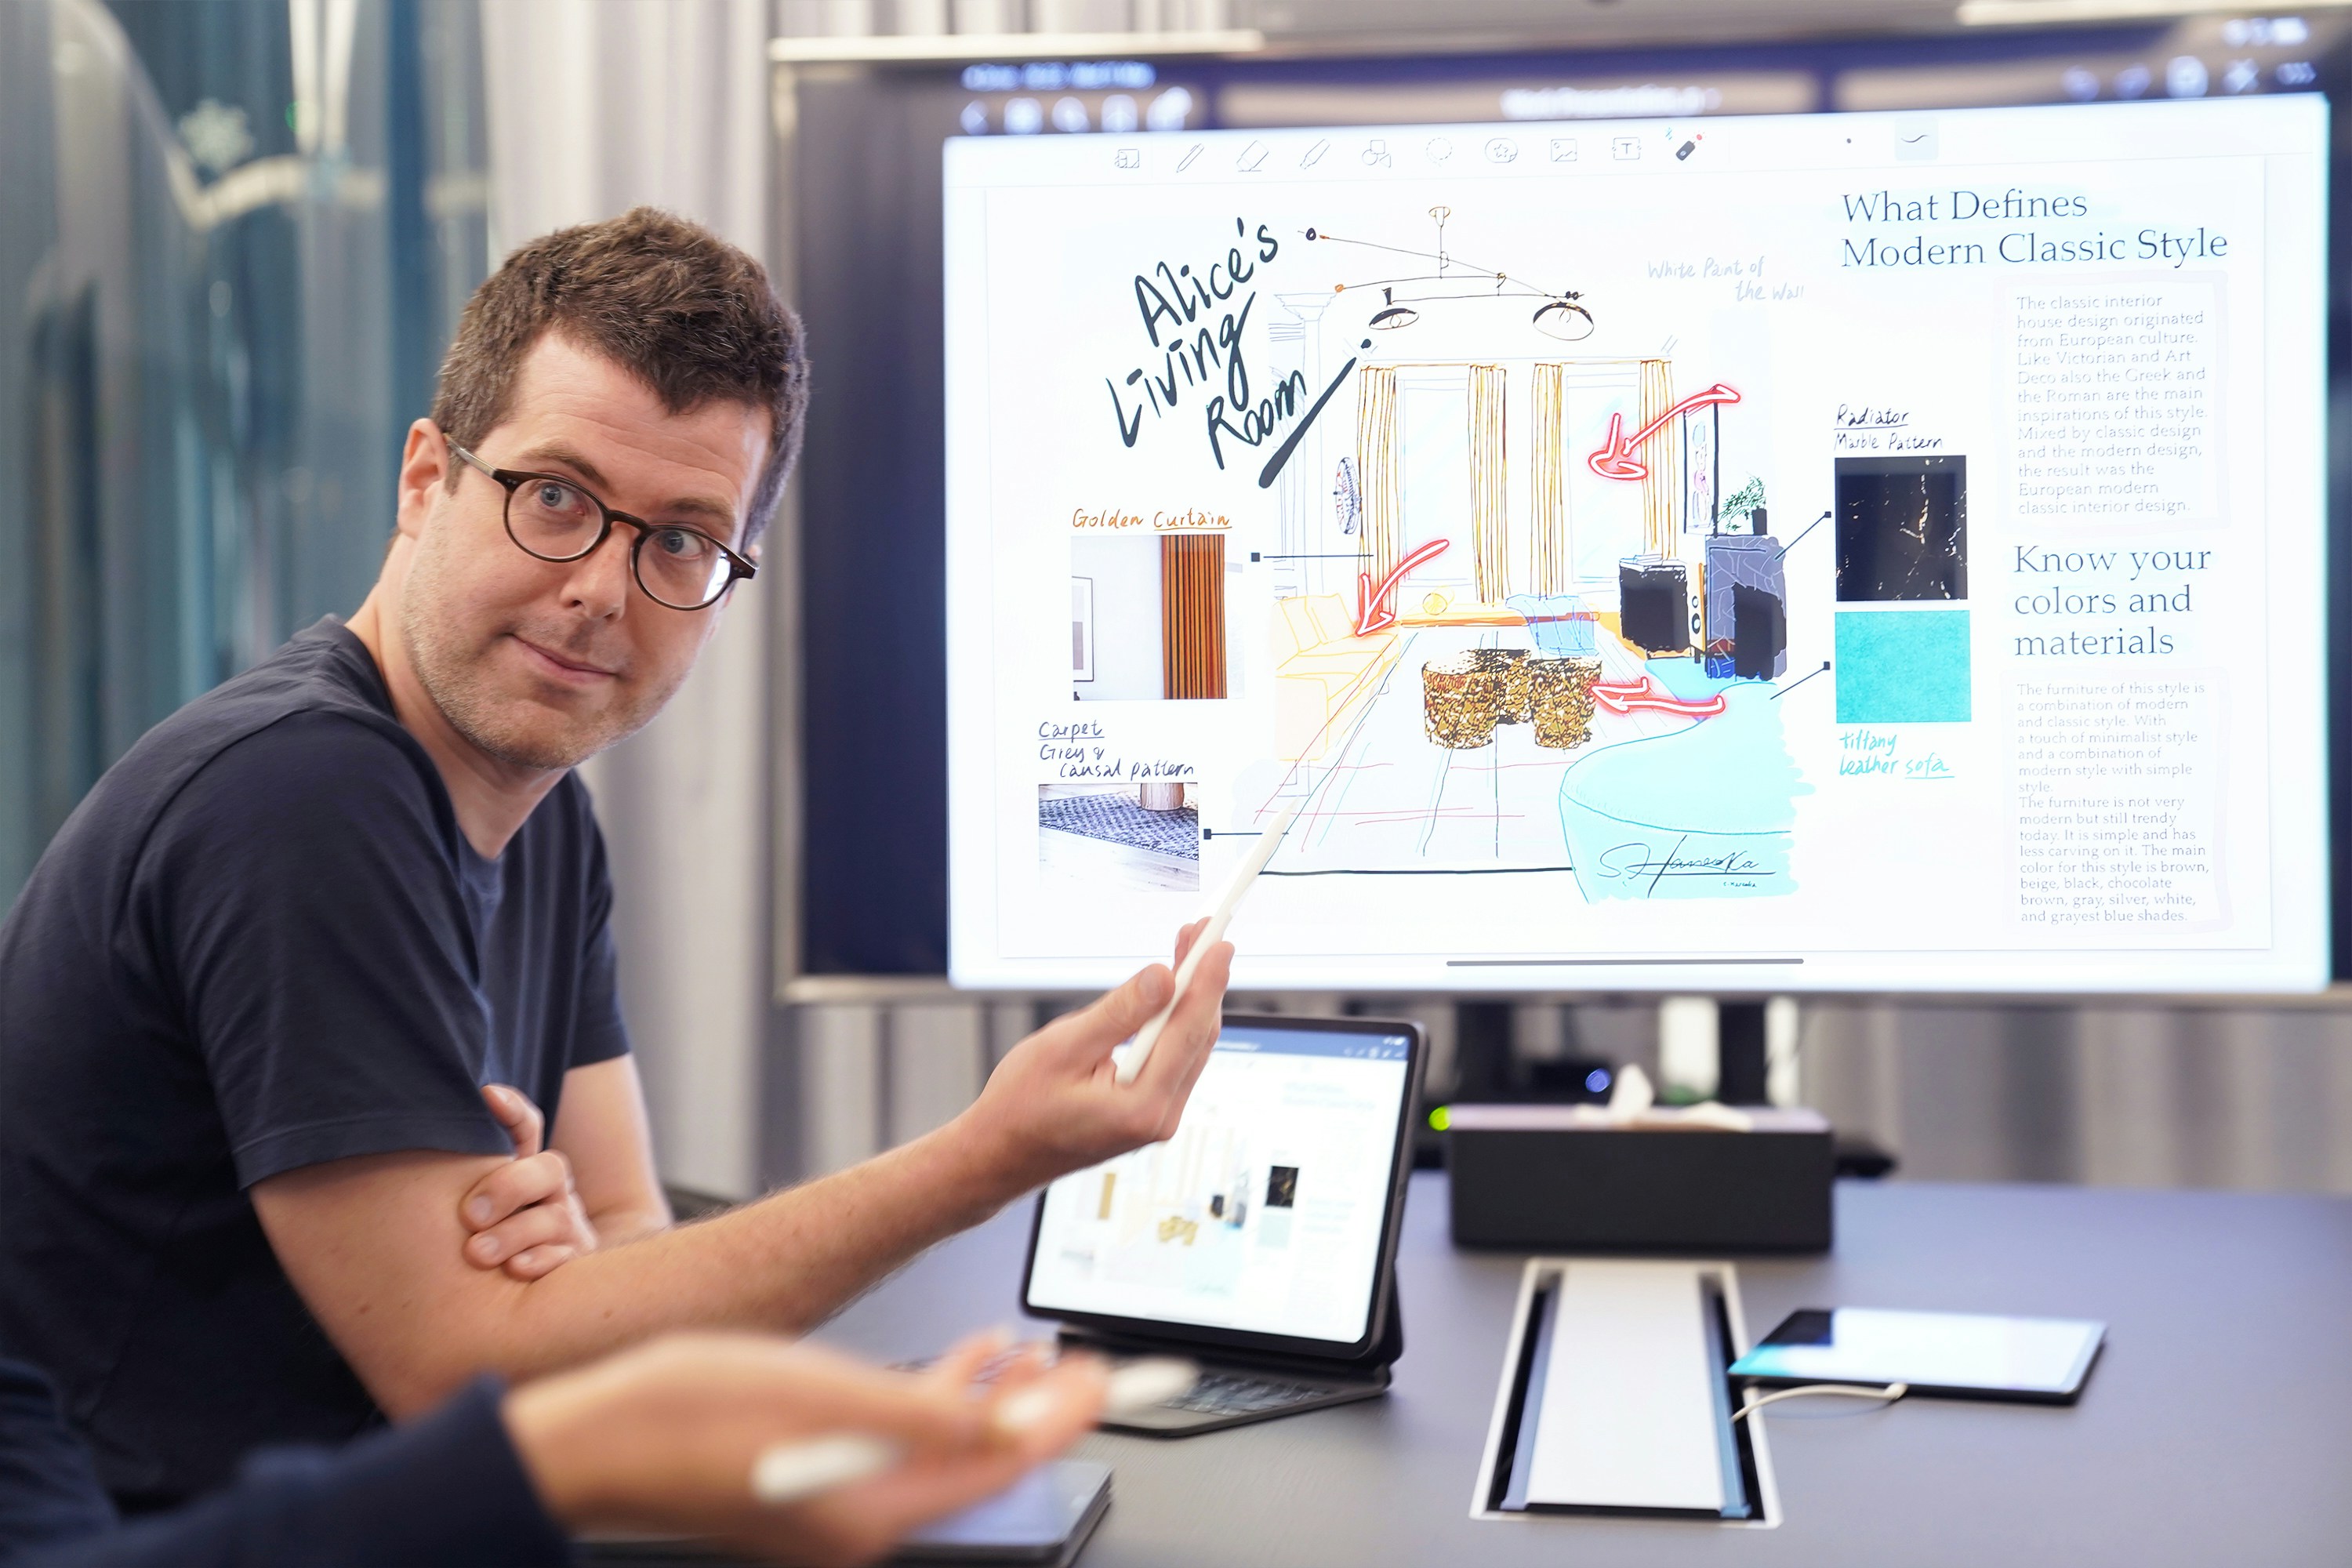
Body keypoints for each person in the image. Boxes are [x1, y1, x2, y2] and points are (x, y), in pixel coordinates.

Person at [0, 206, 1234, 1510]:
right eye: (555, 499)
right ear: (426, 482)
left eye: (681, 541)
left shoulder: (543, 820)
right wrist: (984, 1157)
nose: (603, 587)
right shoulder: (302, 792)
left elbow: (626, 1226)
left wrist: (579, 1276)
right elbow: (477, 1374)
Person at [0, 1330, 1109, 1567]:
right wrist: (581, 1448)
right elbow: (443, 1349)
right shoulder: (297, 791)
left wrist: (566, 1279)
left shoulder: (558, 840)